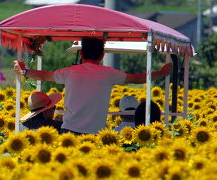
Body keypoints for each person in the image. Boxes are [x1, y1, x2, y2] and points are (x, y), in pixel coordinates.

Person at [14, 37, 172, 134]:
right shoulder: (108, 73)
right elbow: (136, 78)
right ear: (102, 55)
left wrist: (24, 71)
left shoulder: (70, 72)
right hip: (96, 133)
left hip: (69, 131)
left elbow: (44, 75)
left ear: (81, 54)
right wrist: (160, 73)